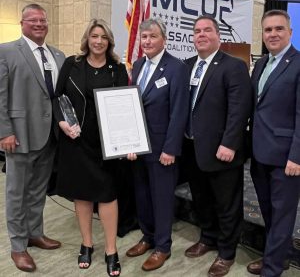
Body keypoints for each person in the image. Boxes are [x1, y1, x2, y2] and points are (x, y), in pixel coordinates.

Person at [53, 19, 127, 277]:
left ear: (109, 41)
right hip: (76, 141)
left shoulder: (118, 68)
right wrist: (62, 122)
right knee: (82, 194)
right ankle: (86, 243)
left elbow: (125, 106)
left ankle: (111, 249)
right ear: (87, 39)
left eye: (103, 37)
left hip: (107, 144)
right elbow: (58, 97)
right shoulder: (72, 64)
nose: (98, 41)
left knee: (107, 194)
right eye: (94, 36)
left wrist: (129, 140)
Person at [181, 15, 252, 277]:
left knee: (227, 202)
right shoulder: (187, 66)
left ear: (218, 35)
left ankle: (226, 252)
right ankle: (208, 237)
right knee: (201, 199)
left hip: (222, 150)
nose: (201, 35)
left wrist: (230, 143)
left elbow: (239, 109)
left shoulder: (233, 66)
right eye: (197, 31)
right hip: (191, 148)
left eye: (207, 30)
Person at [0, 3, 65, 272]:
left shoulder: (58, 55)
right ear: (22, 23)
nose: (39, 24)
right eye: (33, 20)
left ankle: (35, 233)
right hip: (20, 134)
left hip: (51, 135)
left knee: (39, 189)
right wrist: (5, 131)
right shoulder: (6, 51)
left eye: (43, 20)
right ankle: (18, 246)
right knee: (17, 192)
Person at [126, 18, 190, 271]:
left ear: (164, 39)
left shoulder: (176, 68)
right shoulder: (139, 64)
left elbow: (179, 112)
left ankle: (163, 246)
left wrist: (170, 149)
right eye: (144, 37)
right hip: (138, 146)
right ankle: (148, 236)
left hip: (162, 148)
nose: (147, 41)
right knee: (142, 195)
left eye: (152, 36)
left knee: (161, 198)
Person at [247, 9, 300, 277]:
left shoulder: (299, 63)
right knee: (269, 212)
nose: (273, 34)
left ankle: (271, 269)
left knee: (282, 217)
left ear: (290, 32)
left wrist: (297, 156)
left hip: (286, 159)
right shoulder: (261, 64)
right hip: (259, 154)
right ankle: (278, 256)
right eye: (268, 30)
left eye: (279, 28)